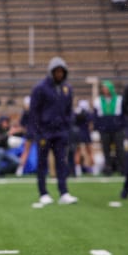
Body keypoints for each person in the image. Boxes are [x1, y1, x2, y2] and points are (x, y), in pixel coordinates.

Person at [29, 57, 78, 205]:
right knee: (42, 163)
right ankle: (43, 192)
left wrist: (67, 124)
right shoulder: (40, 88)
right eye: (56, 71)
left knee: (61, 163)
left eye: (61, 72)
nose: (59, 74)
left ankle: (63, 192)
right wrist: (38, 131)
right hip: (45, 132)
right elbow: (34, 112)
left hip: (60, 132)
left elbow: (69, 110)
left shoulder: (67, 88)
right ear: (51, 72)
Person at [93, 80, 124, 176]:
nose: (104, 90)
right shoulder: (98, 101)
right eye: (103, 88)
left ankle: (122, 168)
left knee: (119, 148)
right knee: (106, 149)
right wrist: (97, 128)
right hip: (104, 129)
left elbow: (123, 115)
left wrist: (122, 126)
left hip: (117, 128)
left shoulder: (119, 99)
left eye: (106, 88)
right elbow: (95, 116)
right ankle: (108, 168)